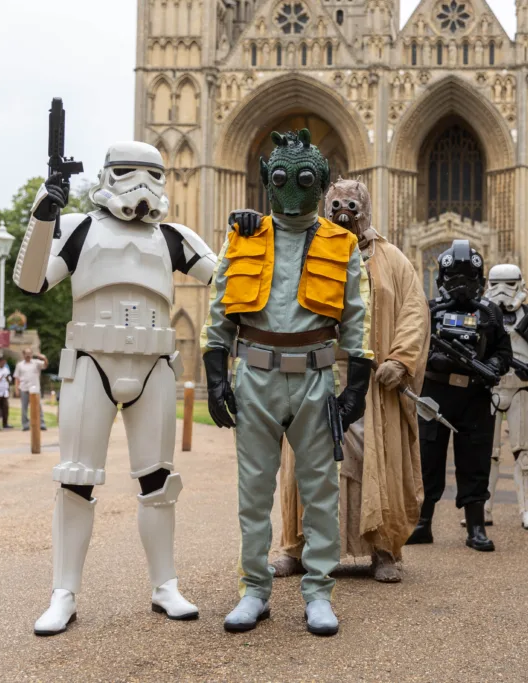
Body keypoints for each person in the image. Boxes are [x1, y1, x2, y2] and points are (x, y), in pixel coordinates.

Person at [15, 140, 215, 636]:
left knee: (159, 483)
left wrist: (251, 233)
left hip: (154, 365)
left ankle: (164, 584)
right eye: (129, 172)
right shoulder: (79, 228)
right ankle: (64, 592)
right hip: (91, 361)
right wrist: (44, 212)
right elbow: (32, 280)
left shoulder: (173, 237)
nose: (141, 185)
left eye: (153, 174)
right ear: (108, 175)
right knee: (76, 479)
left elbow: (229, 278)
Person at [202, 129, 371, 636]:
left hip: (315, 377)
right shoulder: (244, 235)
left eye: (303, 179)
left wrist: (354, 390)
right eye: (281, 178)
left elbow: (357, 321)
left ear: (318, 183)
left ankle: (318, 591)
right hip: (254, 374)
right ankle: (254, 590)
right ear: (266, 182)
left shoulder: (342, 245)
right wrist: (215, 377)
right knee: (253, 491)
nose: (292, 188)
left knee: (319, 491)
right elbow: (219, 315)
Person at [274, 178, 429, 584]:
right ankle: (299, 547)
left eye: (353, 204)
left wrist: (401, 359)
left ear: (366, 208)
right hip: (314, 374)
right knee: (310, 461)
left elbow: (415, 311)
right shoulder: (304, 251)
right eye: (336, 204)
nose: (344, 211)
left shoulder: (391, 259)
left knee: (370, 461)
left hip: (374, 382)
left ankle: (383, 549)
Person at [404, 240, 512, 551]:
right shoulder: (428, 309)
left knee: (476, 459)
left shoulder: (490, 312)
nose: (461, 286)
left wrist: (491, 364)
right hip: (436, 392)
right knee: (427, 458)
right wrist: (432, 359)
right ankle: (422, 524)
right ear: (442, 280)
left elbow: (504, 352)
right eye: (455, 279)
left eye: (468, 279)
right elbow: (412, 345)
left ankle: (475, 527)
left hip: (475, 394)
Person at [480, 264, 528, 530]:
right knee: (488, 453)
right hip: (491, 387)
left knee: (523, 452)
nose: (502, 291)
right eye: (497, 284)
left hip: (520, 388)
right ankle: (483, 508)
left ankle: (526, 509)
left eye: (509, 284)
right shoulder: (483, 315)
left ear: (520, 284)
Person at [13, 347, 48, 431]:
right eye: (26, 354)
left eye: (29, 354)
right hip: (24, 388)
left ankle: (41, 423)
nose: (28, 356)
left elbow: (45, 366)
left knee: (38, 407)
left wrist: (44, 358)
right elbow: (17, 378)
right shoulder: (20, 365)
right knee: (24, 408)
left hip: (35, 388)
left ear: (32, 354)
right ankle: (25, 425)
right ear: (23, 355)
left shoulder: (36, 363)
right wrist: (16, 389)